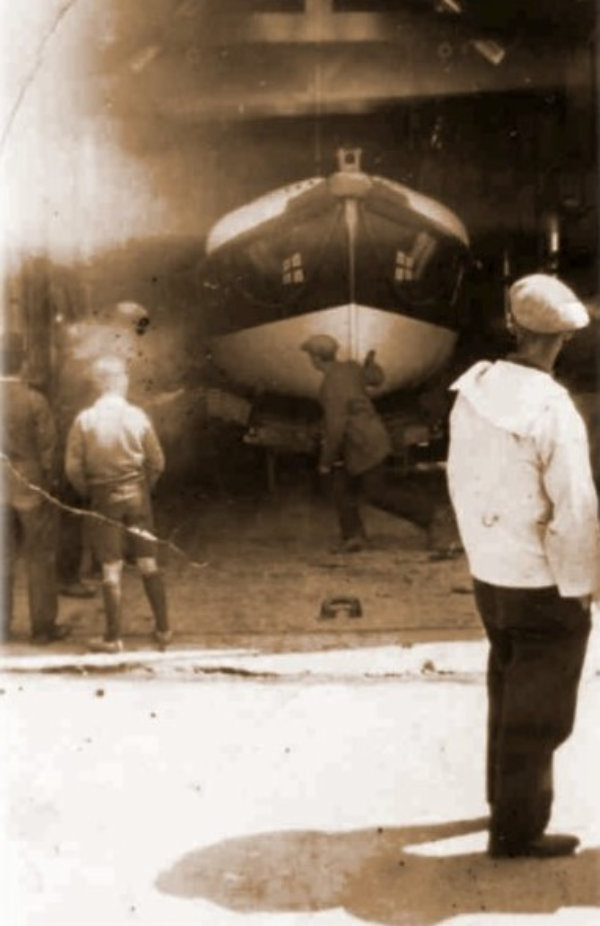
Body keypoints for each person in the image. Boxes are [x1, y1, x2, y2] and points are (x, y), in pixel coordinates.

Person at [446, 273, 600, 859]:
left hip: (492, 576)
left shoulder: (474, 388)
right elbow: (576, 509)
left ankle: (500, 799)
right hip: (542, 582)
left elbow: (461, 481)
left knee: (507, 688)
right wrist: (583, 585)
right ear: (562, 340)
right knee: (541, 714)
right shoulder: (552, 409)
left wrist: (483, 550)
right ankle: (516, 831)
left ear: (512, 327)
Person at [65, 355, 171, 653]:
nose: (126, 382)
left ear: (99, 384)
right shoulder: (138, 416)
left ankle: (113, 638)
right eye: (123, 378)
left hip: (102, 497)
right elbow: (158, 462)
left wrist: (90, 492)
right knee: (148, 562)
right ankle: (163, 630)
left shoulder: (84, 420)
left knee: (111, 568)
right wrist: (144, 486)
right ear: (116, 382)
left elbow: (73, 468)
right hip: (137, 496)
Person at [301, 334, 442, 552]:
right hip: (368, 438)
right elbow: (376, 379)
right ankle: (353, 536)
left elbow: (335, 428)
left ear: (316, 359)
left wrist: (325, 461)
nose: (310, 360)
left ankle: (429, 516)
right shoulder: (350, 368)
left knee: (376, 493)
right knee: (341, 486)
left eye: (310, 355)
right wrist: (370, 365)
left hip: (364, 444)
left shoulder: (330, 387)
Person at [0, 332, 68, 643]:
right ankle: (42, 629)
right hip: (31, 486)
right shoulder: (34, 400)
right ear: (24, 360)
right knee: (40, 557)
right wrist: (51, 485)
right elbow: (48, 451)